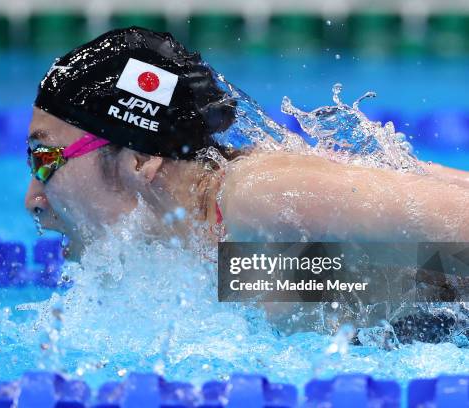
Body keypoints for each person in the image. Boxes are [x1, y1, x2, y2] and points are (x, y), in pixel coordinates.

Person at [25, 26, 469, 342]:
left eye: (43, 158)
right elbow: (402, 287)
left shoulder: (260, 196)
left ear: (140, 158)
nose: (34, 199)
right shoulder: (233, 250)